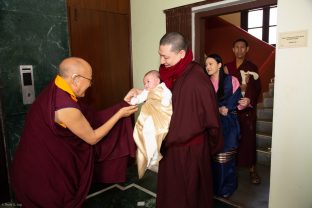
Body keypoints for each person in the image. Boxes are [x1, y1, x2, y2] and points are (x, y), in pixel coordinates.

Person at [10, 57, 138, 207]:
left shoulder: (58, 86)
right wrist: (119, 115)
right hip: (42, 175)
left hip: (29, 164)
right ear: (76, 79)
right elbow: (92, 138)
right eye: (90, 80)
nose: (90, 84)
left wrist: (123, 104)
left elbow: (91, 118)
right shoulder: (66, 107)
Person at [125, 32, 224, 208]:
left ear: (181, 54)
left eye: (165, 56)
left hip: (190, 151)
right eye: (160, 55)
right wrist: (141, 92)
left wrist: (210, 146)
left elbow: (211, 119)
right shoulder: (170, 71)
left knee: (189, 196)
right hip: (169, 147)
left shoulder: (196, 79)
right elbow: (162, 94)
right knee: (172, 195)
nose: (162, 61)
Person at [205, 54, 244, 198]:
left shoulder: (231, 80)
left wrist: (228, 107)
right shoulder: (205, 83)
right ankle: (214, 188)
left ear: (219, 65)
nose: (207, 67)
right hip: (212, 125)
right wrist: (216, 109)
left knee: (226, 157)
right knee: (213, 157)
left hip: (228, 124)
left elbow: (237, 98)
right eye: (206, 65)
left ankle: (226, 187)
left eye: (211, 64)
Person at [224, 38, 262, 184]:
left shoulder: (252, 67)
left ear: (247, 49)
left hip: (247, 111)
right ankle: (232, 169)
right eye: (237, 47)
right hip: (232, 110)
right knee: (232, 140)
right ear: (233, 49)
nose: (239, 50)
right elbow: (223, 87)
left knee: (249, 141)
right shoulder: (227, 67)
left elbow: (257, 88)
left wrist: (248, 95)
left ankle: (252, 170)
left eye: (242, 47)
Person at [131, 70, 172, 178]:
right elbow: (141, 97)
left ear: (157, 81)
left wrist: (165, 102)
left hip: (160, 116)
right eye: (144, 83)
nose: (145, 85)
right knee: (145, 133)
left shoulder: (163, 88)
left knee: (155, 136)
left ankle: (154, 158)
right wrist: (134, 100)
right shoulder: (147, 91)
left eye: (148, 82)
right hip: (149, 116)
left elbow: (168, 96)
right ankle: (149, 157)